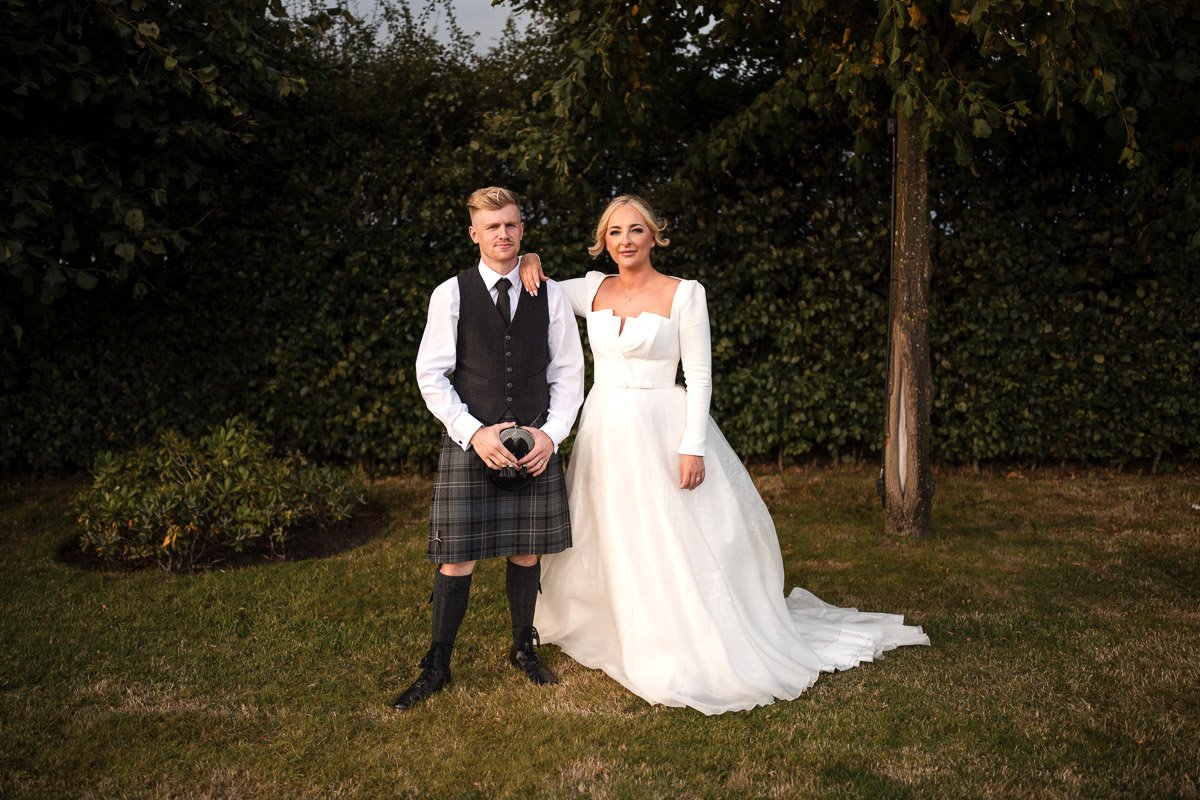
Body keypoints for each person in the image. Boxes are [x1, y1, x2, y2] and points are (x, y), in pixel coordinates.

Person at [518, 195, 929, 715]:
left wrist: (692, 446)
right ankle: (616, 616)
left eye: (636, 230)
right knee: (612, 524)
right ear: (604, 241)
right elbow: (538, 284)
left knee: (671, 531)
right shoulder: (591, 289)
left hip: (663, 424)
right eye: (615, 232)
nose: (625, 241)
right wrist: (531, 258)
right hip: (606, 425)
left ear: (654, 237)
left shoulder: (685, 294)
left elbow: (701, 376)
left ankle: (676, 631)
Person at [394, 186, 584, 711]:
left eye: (512, 225)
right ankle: (437, 663)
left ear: (522, 230)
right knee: (456, 558)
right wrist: (472, 432)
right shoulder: (449, 294)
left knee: (526, 549)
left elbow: (568, 372)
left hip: (534, 439)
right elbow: (431, 374)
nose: (503, 234)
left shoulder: (549, 292)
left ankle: (524, 646)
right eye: (492, 226)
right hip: (471, 440)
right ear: (474, 233)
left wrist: (552, 434)